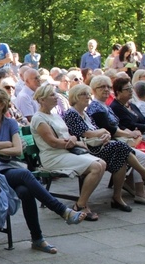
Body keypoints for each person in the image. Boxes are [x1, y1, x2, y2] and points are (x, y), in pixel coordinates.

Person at [0, 88, 86, 253]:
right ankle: (62, 211)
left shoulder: (10, 123)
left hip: (8, 169)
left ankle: (37, 239)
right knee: (25, 175)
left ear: (2, 104)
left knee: (25, 191)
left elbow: (18, 150)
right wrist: (6, 144)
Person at [64, 83, 145, 210]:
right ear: (75, 97)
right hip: (86, 149)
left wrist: (106, 135)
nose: (87, 97)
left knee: (121, 156)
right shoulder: (71, 113)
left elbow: (99, 131)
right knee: (120, 147)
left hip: (98, 145)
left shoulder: (85, 114)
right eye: (84, 94)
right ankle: (143, 175)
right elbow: (85, 133)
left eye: (88, 94)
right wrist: (103, 132)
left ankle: (118, 197)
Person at [29, 84, 107, 220]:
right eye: (52, 95)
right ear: (42, 100)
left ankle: (81, 202)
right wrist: (73, 142)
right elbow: (52, 142)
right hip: (53, 156)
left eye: (55, 94)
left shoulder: (55, 115)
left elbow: (69, 135)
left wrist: (73, 140)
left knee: (102, 163)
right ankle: (81, 205)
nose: (56, 97)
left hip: (65, 151)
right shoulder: (39, 119)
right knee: (96, 167)